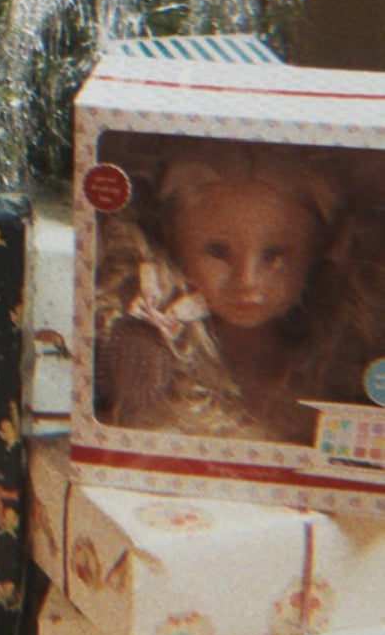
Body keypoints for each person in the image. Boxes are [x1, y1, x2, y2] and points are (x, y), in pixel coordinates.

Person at [94, 142, 374, 444]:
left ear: (314, 250)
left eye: (274, 255)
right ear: (174, 242)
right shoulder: (166, 342)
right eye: (217, 251)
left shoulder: (330, 364)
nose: (246, 281)